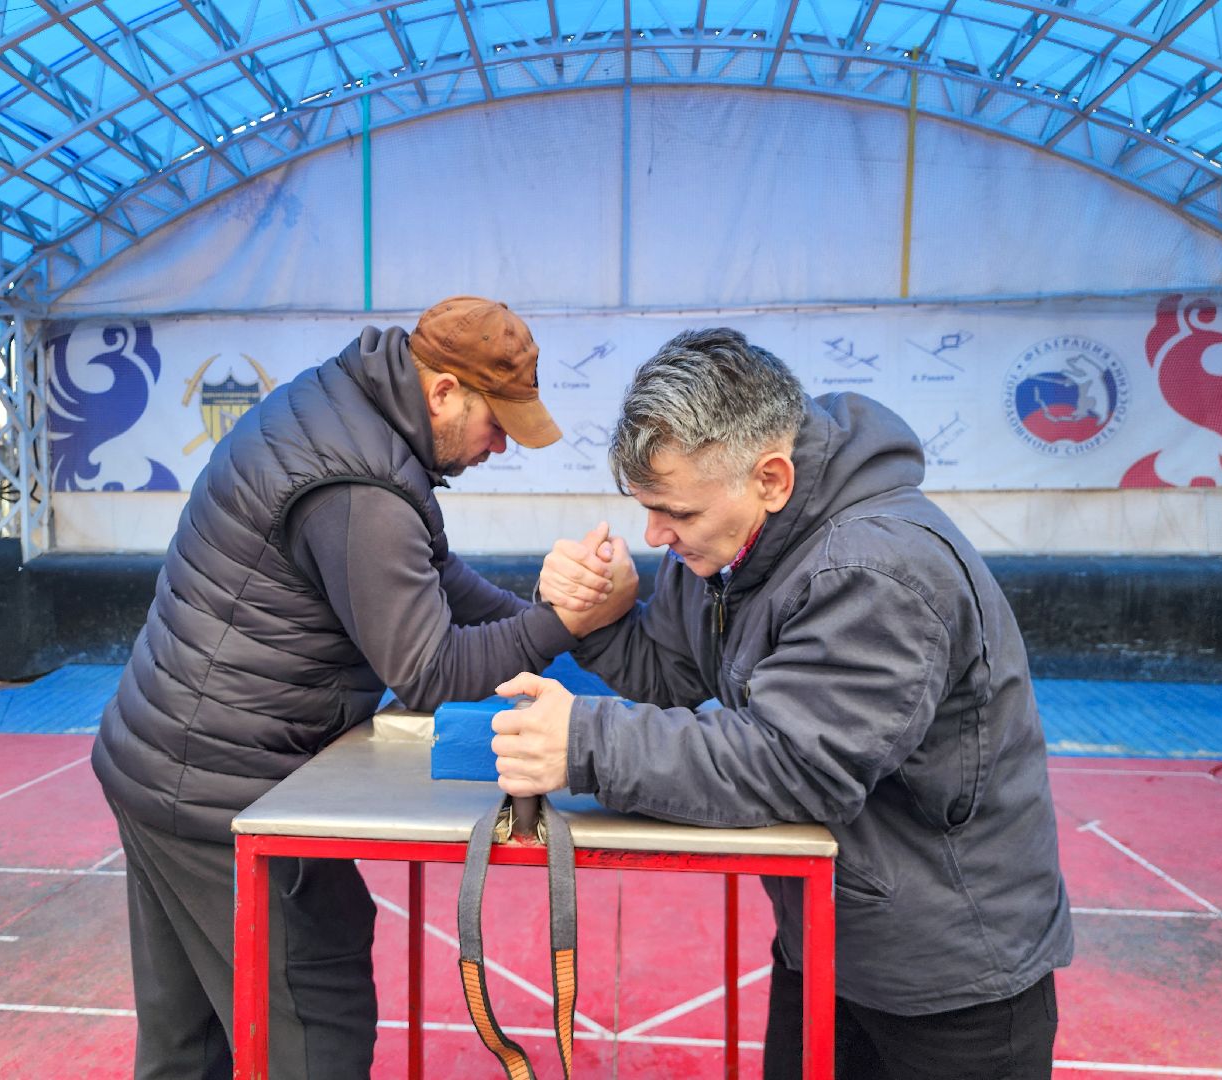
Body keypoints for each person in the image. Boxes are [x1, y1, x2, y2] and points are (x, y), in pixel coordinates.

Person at [492, 327, 1073, 1079]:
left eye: (676, 513)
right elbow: (671, 675)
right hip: (831, 931)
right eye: (646, 508)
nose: (654, 533)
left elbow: (793, 763)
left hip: (945, 979)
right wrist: (600, 614)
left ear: (771, 477)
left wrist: (583, 740)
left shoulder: (879, 570)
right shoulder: (735, 538)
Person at [92, 296, 608, 1079]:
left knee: (187, 1045)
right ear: (441, 392)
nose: (501, 446)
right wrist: (560, 624)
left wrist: (562, 625)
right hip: (219, 792)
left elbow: (443, 584)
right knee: (314, 1027)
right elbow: (429, 671)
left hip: (163, 764)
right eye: (496, 422)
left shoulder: (345, 414)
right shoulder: (360, 483)